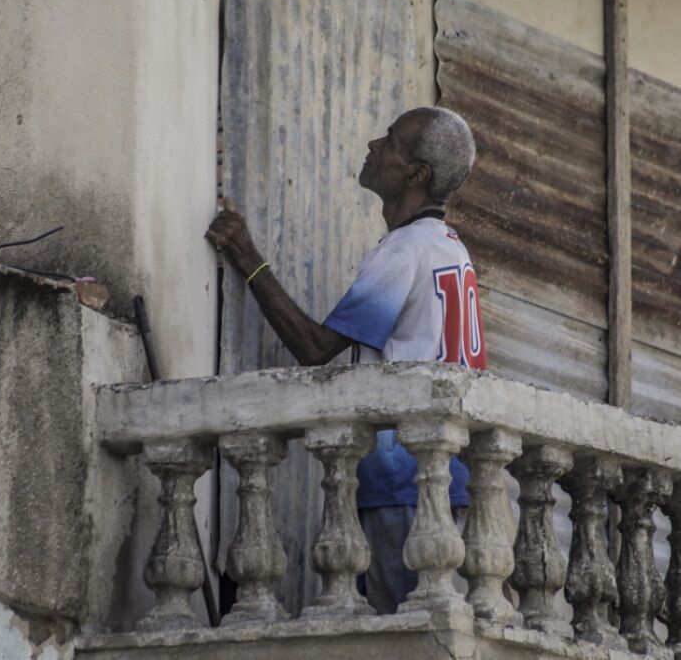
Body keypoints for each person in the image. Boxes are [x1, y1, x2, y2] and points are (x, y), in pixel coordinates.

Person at [206, 105, 487, 614]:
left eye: (390, 141)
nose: (374, 146)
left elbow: (315, 349)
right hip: (451, 480)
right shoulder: (451, 249)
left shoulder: (404, 249)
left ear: (416, 174)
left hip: (403, 483)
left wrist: (249, 261)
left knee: (402, 632)